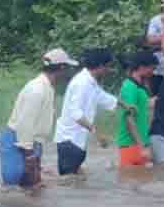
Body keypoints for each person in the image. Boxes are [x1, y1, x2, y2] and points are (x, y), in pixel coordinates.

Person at [0, 48, 79, 185]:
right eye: (67, 68)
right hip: (19, 142)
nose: (69, 73)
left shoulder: (47, 87)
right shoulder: (37, 89)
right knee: (14, 190)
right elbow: (25, 124)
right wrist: (29, 156)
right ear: (61, 68)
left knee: (31, 189)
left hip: (30, 143)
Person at [54, 48, 129, 176]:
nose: (109, 71)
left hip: (77, 141)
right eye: (108, 67)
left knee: (74, 181)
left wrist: (125, 105)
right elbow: (75, 113)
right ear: (100, 66)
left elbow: (102, 96)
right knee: (68, 182)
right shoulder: (81, 83)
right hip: (70, 140)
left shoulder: (91, 82)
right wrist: (97, 134)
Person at [117, 51, 158, 168]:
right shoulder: (129, 86)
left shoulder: (140, 86)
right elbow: (129, 120)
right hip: (130, 144)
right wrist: (142, 147)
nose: (153, 72)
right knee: (129, 183)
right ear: (141, 67)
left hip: (140, 142)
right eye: (152, 69)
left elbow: (143, 108)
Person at [145, 0, 164, 92]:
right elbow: (150, 39)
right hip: (158, 64)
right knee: (156, 93)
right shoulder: (155, 20)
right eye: (162, 2)